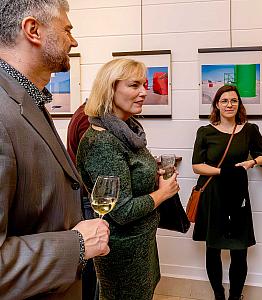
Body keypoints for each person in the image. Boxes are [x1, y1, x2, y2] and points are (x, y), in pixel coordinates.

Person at [0, 1, 110, 299]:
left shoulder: (26, 98)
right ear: (33, 30)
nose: (73, 41)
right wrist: (78, 244)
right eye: (67, 29)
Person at [76, 58, 180, 300]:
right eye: (134, 85)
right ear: (110, 88)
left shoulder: (127, 132)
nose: (144, 92)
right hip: (123, 249)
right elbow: (122, 210)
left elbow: (128, 179)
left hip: (141, 242)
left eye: (144, 85)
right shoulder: (102, 142)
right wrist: (164, 192)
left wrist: (151, 175)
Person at [192, 85, 262, 300]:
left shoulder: (249, 130)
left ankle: (235, 297)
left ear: (239, 104)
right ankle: (219, 295)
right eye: (224, 101)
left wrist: (251, 162)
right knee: (213, 249)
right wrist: (223, 171)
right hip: (213, 195)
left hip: (238, 196)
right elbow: (197, 166)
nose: (229, 105)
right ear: (217, 104)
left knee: (239, 250)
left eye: (234, 101)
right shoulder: (205, 132)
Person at [67, 101, 98, 300]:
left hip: (86, 198)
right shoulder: (89, 119)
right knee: (92, 265)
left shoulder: (82, 112)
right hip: (90, 199)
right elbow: (96, 172)